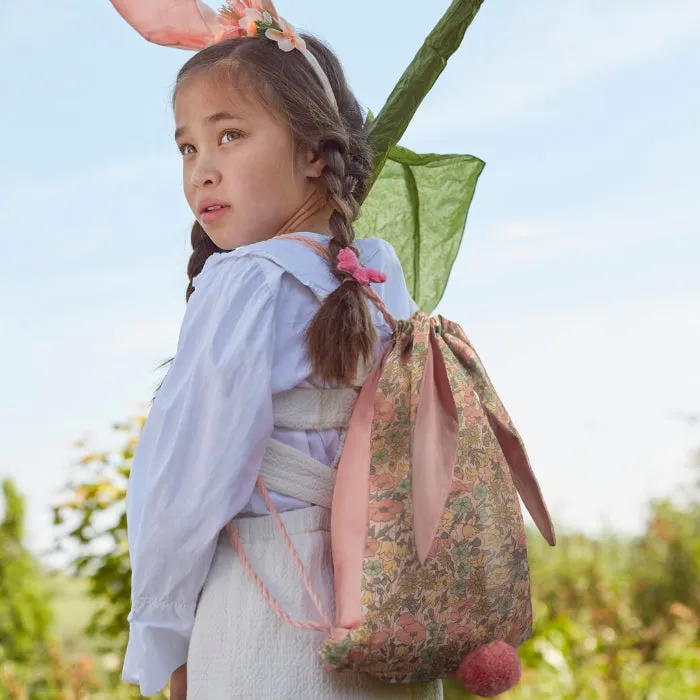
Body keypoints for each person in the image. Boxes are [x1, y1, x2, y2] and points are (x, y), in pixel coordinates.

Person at [119, 8, 444, 699]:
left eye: (229, 135)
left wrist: (164, 639)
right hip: (389, 617)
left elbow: (184, 485)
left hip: (268, 616)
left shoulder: (247, 281)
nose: (202, 172)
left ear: (311, 153)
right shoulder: (381, 279)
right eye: (186, 149)